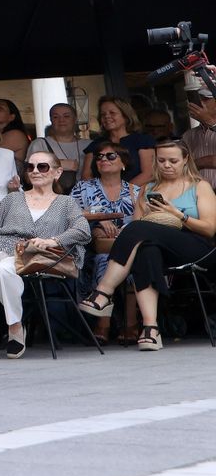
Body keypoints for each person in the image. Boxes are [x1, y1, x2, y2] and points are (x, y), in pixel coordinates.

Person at [80, 140, 216, 351]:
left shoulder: (199, 186)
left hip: (196, 246)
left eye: (173, 161)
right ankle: (151, 329)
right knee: (146, 250)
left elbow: (209, 229)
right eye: (161, 160)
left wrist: (177, 214)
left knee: (136, 228)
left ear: (185, 160)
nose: (167, 165)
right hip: (159, 248)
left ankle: (103, 292)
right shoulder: (149, 188)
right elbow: (139, 229)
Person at [0, 149, 89, 360]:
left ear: (57, 172)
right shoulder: (12, 199)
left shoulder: (65, 203)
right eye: (30, 167)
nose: (35, 171)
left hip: (30, 255)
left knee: (3, 271)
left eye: (42, 167)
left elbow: (82, 230)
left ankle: (15, 327)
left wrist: (53, 241)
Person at [71, 140, 140, 341]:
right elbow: (70, 214)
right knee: (103, 259)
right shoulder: (83, 187)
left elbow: (143, 221)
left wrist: (123, 232)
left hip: (127, 244)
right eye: (99, 157)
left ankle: (131, 323)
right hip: (93, 245)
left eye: (111, 156)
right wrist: (100, 223)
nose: (103, 160)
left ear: (123, 163)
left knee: (132, 259)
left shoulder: (135, 191)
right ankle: (104, 322)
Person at [82, 97, 154, 186]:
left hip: (137, 194)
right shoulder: (96, 144)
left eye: (112, 113)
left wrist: (122, 194)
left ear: (126, 116)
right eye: (103, 114)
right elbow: (86, 176)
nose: (107, 116)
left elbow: (149, 174)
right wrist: (103, 194)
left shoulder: (142, 140)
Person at [29, 103, 84, 191]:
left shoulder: (89, 144)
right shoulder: (40, 144)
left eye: (66, 116)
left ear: (75, 119)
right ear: (51, 120)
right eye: (55, 117)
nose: (61, 120)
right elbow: (28, 177)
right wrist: (60, 164)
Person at [185, 85, 216, 187]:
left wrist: (210, 122)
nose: (200, 103)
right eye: (197, 99)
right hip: (200, 197)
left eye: (205, 99)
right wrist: (200, 162)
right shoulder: (189, 136)